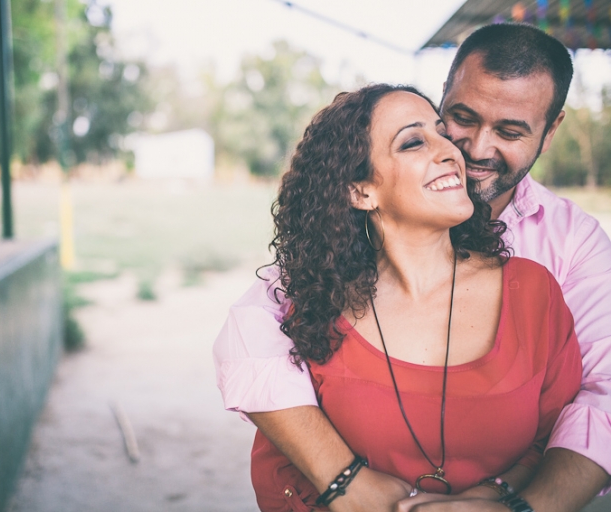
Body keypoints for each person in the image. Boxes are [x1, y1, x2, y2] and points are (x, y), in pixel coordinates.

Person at [213, 23, 611, 512]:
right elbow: (252, 339)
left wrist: (513, 503)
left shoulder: (567, 252)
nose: (472, 150)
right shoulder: (333, 272)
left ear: (550, 131)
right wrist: (345, 483)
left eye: (510, 131)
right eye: (459, 120)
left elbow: (597, 398)